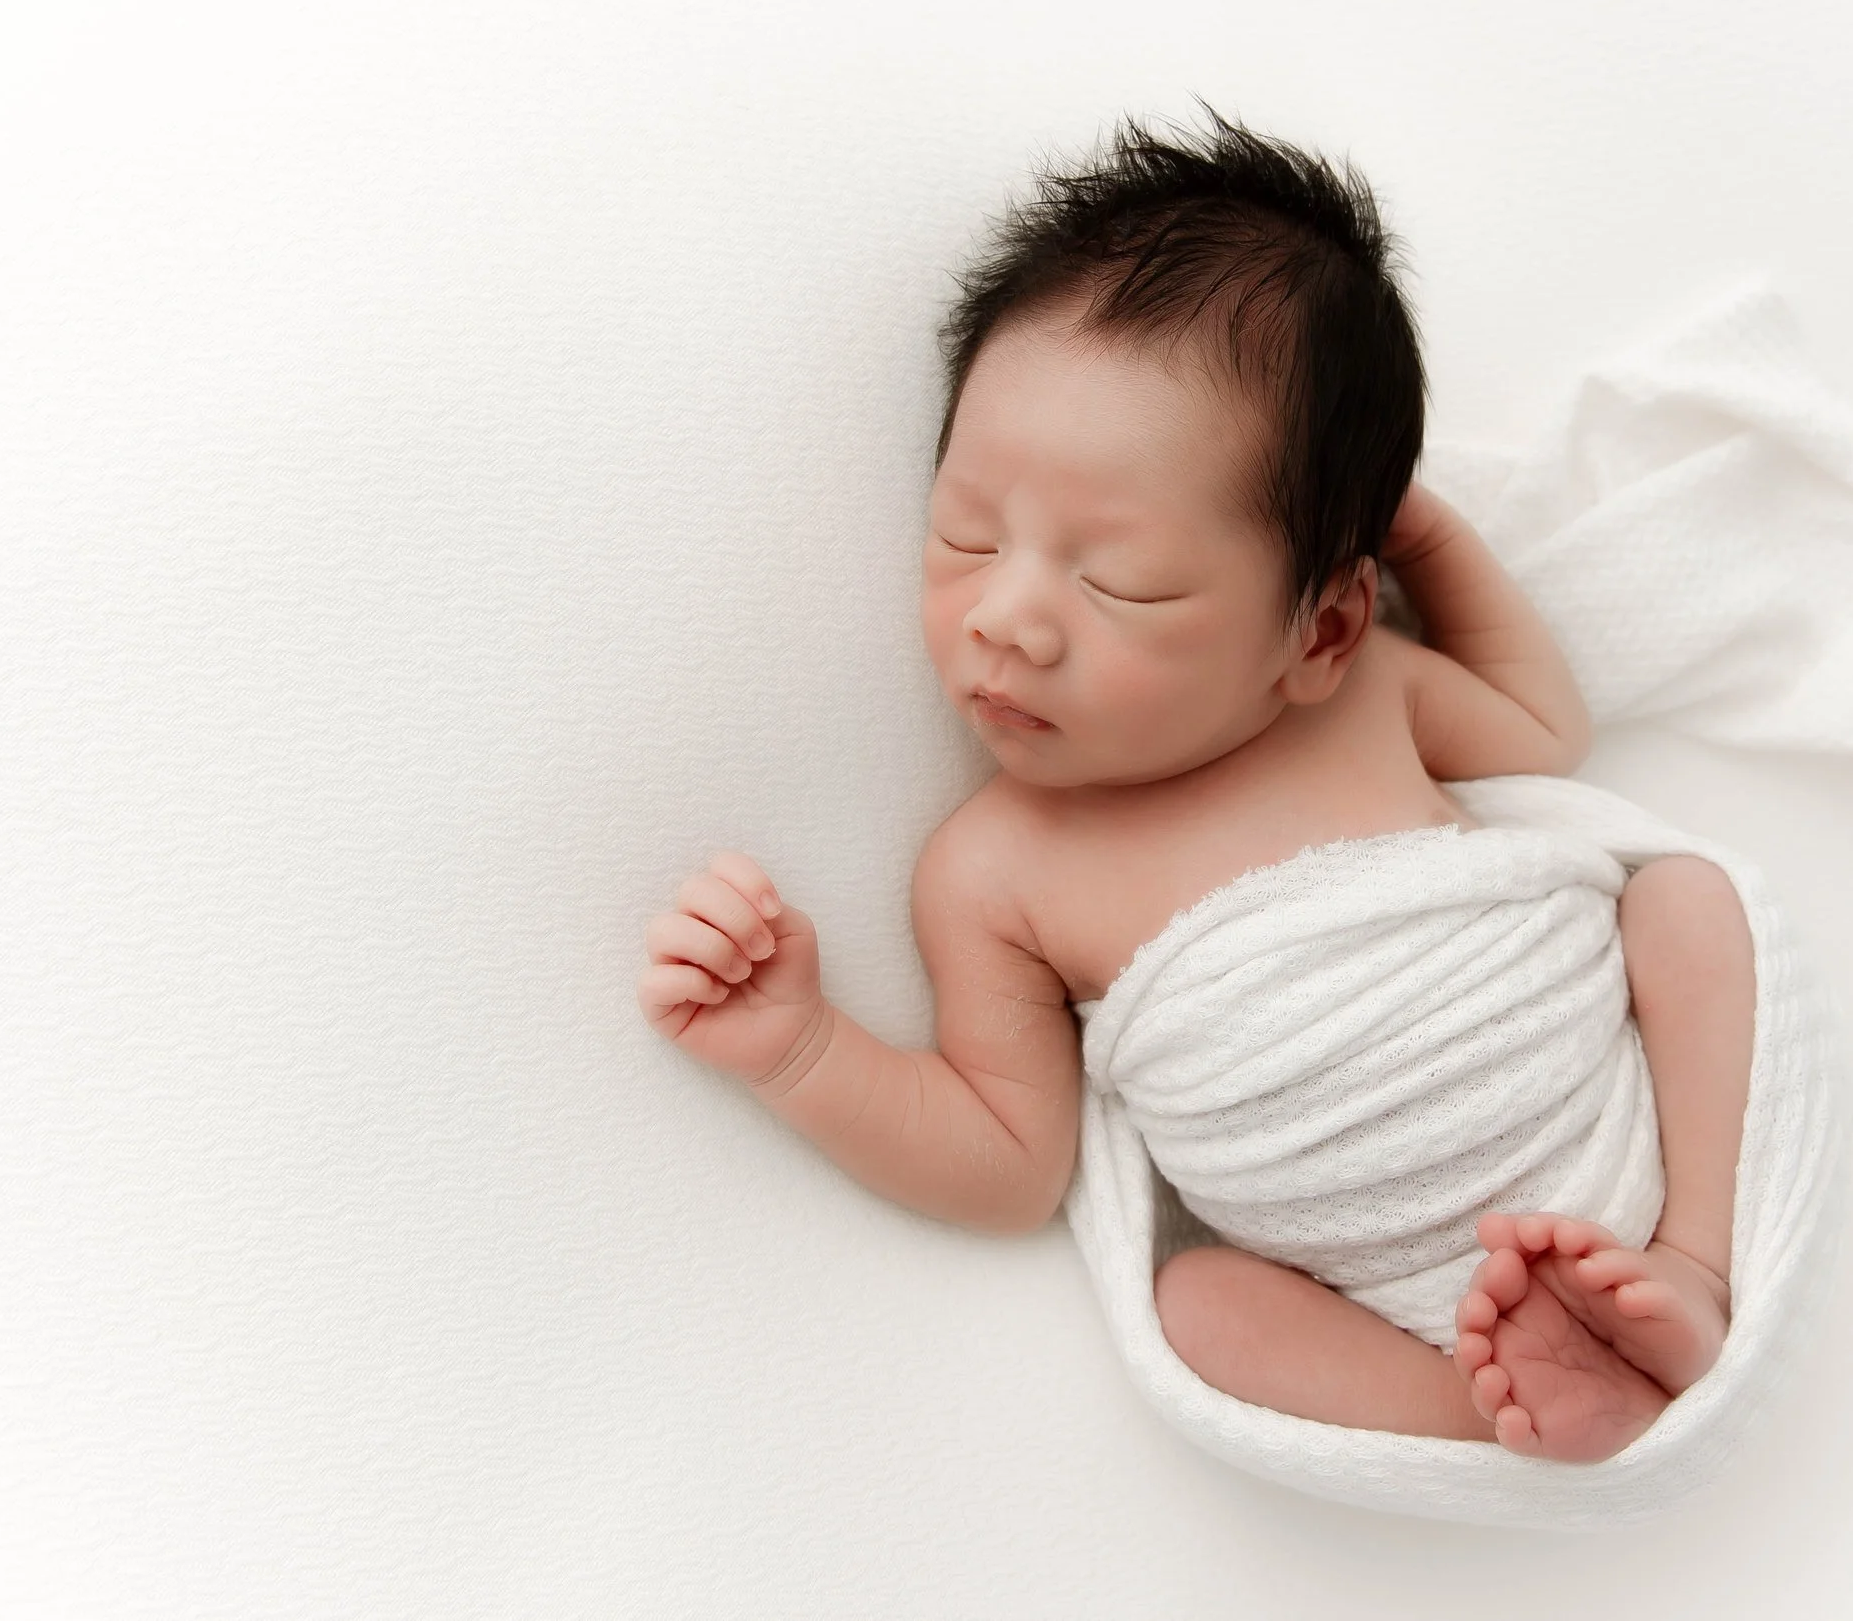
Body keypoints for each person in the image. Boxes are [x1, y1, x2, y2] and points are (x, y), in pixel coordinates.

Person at [635, 111, 1757, 1461]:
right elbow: (1009, 1160)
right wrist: (802, 1048)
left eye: (1122, 582)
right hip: (1389, 1294)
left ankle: (1690, 1256)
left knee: (1688, 900)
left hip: (1580, 1112)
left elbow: (1542, 725)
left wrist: (1423, 529)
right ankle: (1481, 1406)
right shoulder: (993, 869)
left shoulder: (1369, 687)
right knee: (1200, 1303)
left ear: (1321, 627)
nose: (1010, 618)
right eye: (966, 534)